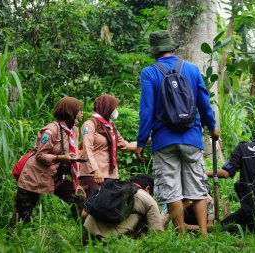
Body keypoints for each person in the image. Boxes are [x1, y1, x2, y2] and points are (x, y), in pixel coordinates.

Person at [135, 30, 219, 235]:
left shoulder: (149, 72)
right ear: (172, 47)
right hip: (192, 138)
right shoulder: (191, 69)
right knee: (197, 188)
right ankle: (204, 233)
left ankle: (180, 236)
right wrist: (212, 126)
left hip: (164, 139)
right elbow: (203, 101)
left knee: (171, 190)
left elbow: (146, 110)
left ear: (154, 51)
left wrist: (141, 141)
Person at [11, 97, 85, 225]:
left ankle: (86, 236)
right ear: (70, 112)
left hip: (56, 175)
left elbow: (73, 155)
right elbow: (40, 155)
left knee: (77, 200)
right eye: (79, 110)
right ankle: (10, 239)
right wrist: (60, 158)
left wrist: (76, 182)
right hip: (35, 175)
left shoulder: (74, 130)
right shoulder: (51, 130)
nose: (82, 113)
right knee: (23, 213)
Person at [79, 94, 137, 197]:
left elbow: (125, 145)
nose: (115, 111)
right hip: (94, 174)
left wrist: (148, 140)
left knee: (109, 208)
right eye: (114, 108)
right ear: (106, 108)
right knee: (93, 207)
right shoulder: (90, 124)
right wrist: (95, 170)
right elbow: (87, 149)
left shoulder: (110, 127)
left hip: (110, 175)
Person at [82, 174, 163, 243]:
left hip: (87, 235)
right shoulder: (147, 197)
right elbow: (156, 230)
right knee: (144, 221)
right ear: (148, 189)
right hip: (110, 240)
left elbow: (84, 215)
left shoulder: (112, 188)